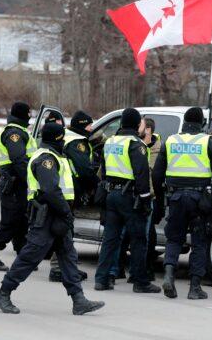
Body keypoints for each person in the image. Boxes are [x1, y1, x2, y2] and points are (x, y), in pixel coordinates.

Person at [0, 123, 104, 315]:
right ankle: (3, 293)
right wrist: (66, 213)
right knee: (30, 256)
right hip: (48, 215)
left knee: (68, 256)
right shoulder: (46, 159)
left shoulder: (56, 157)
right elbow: (50, 190)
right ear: (58, 139)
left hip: (58, 214)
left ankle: (79, 300)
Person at [153, 107, 212, 299]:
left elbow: (156, 174)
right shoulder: (207, 142)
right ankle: (194, 287)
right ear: (202, 123)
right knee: (199, 242)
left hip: (176, 198)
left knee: (174, 239)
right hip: (199, 201)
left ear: (185, 122)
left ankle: (169, 276)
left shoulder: (171, 141)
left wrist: (161, 197)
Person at [94, 108, 160, 293]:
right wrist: (146, 200)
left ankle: (102, 279)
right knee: (138, 239)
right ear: (135, 124)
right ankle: (140, 282)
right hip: (130, 197)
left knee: (110, 239)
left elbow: (104, 172)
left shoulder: (110, 142)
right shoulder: (135, 144)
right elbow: (141, 175)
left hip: (111, 196)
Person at [0, 102, 37, 271]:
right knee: (10, 221)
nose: (31, 116)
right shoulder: (14, 133)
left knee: (22, 219)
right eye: (29, 113)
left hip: (17, 183)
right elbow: (18, 160)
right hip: (13, 183)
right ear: (23, 115)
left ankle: (22, 255)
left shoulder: (20, 132)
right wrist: (32, 179)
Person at [111, 117, 163, 283]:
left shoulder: (156, 150)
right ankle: (117, 270)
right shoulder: (133, 146)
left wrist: (149, 199)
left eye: (139, 125)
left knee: (142, 237)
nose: (137, 128)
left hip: (145, 198)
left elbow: (149, 176)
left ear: (147, 130)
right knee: (122, 236)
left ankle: (138, 273)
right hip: (129, 196)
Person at [49, 110, 96, 283]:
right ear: (83, 126)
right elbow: (83, 170)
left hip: (64, 189)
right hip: (69, 191)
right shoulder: (77, 143)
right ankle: (58, 268)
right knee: (64, 230)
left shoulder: (67, 138)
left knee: (64, 230)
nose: (92, 128)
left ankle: (65, 267)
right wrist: (95, 184)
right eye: (90, 124)